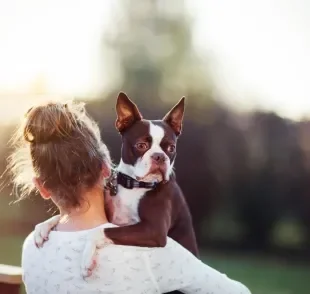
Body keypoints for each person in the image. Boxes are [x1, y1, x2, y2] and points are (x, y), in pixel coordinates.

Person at [9, 101, 251, 294]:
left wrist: (53, 223)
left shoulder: (33, 246)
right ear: (106, 168)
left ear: (41, 187)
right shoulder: (153, 256)